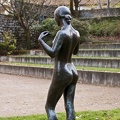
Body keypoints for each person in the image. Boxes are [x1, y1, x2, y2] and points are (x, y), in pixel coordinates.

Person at [38, 6, 80, 120]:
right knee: (69, 105)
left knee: (49, 107)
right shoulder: (76, 33)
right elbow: (75, 52)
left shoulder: (61, 33)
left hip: (62, 71)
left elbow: (52, 53)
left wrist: (40, 41)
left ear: (58, 18)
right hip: (73, 70)